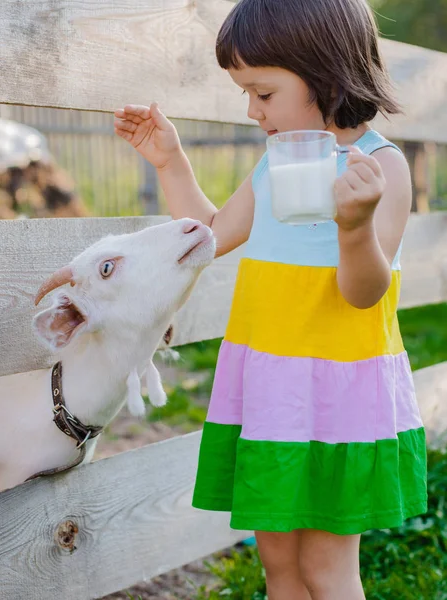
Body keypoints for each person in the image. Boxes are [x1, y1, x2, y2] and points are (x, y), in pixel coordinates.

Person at [114, 0, 428, 597]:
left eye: (262, 93)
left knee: (326, 569)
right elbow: (210, 234)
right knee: (280, 565)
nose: (254, 113)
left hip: (339, 392)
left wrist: (355, 226)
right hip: (271, 388)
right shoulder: (275, 162)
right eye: (246, 95)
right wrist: (170, 160)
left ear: (326, 74)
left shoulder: (380, 166)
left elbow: (364, 293)